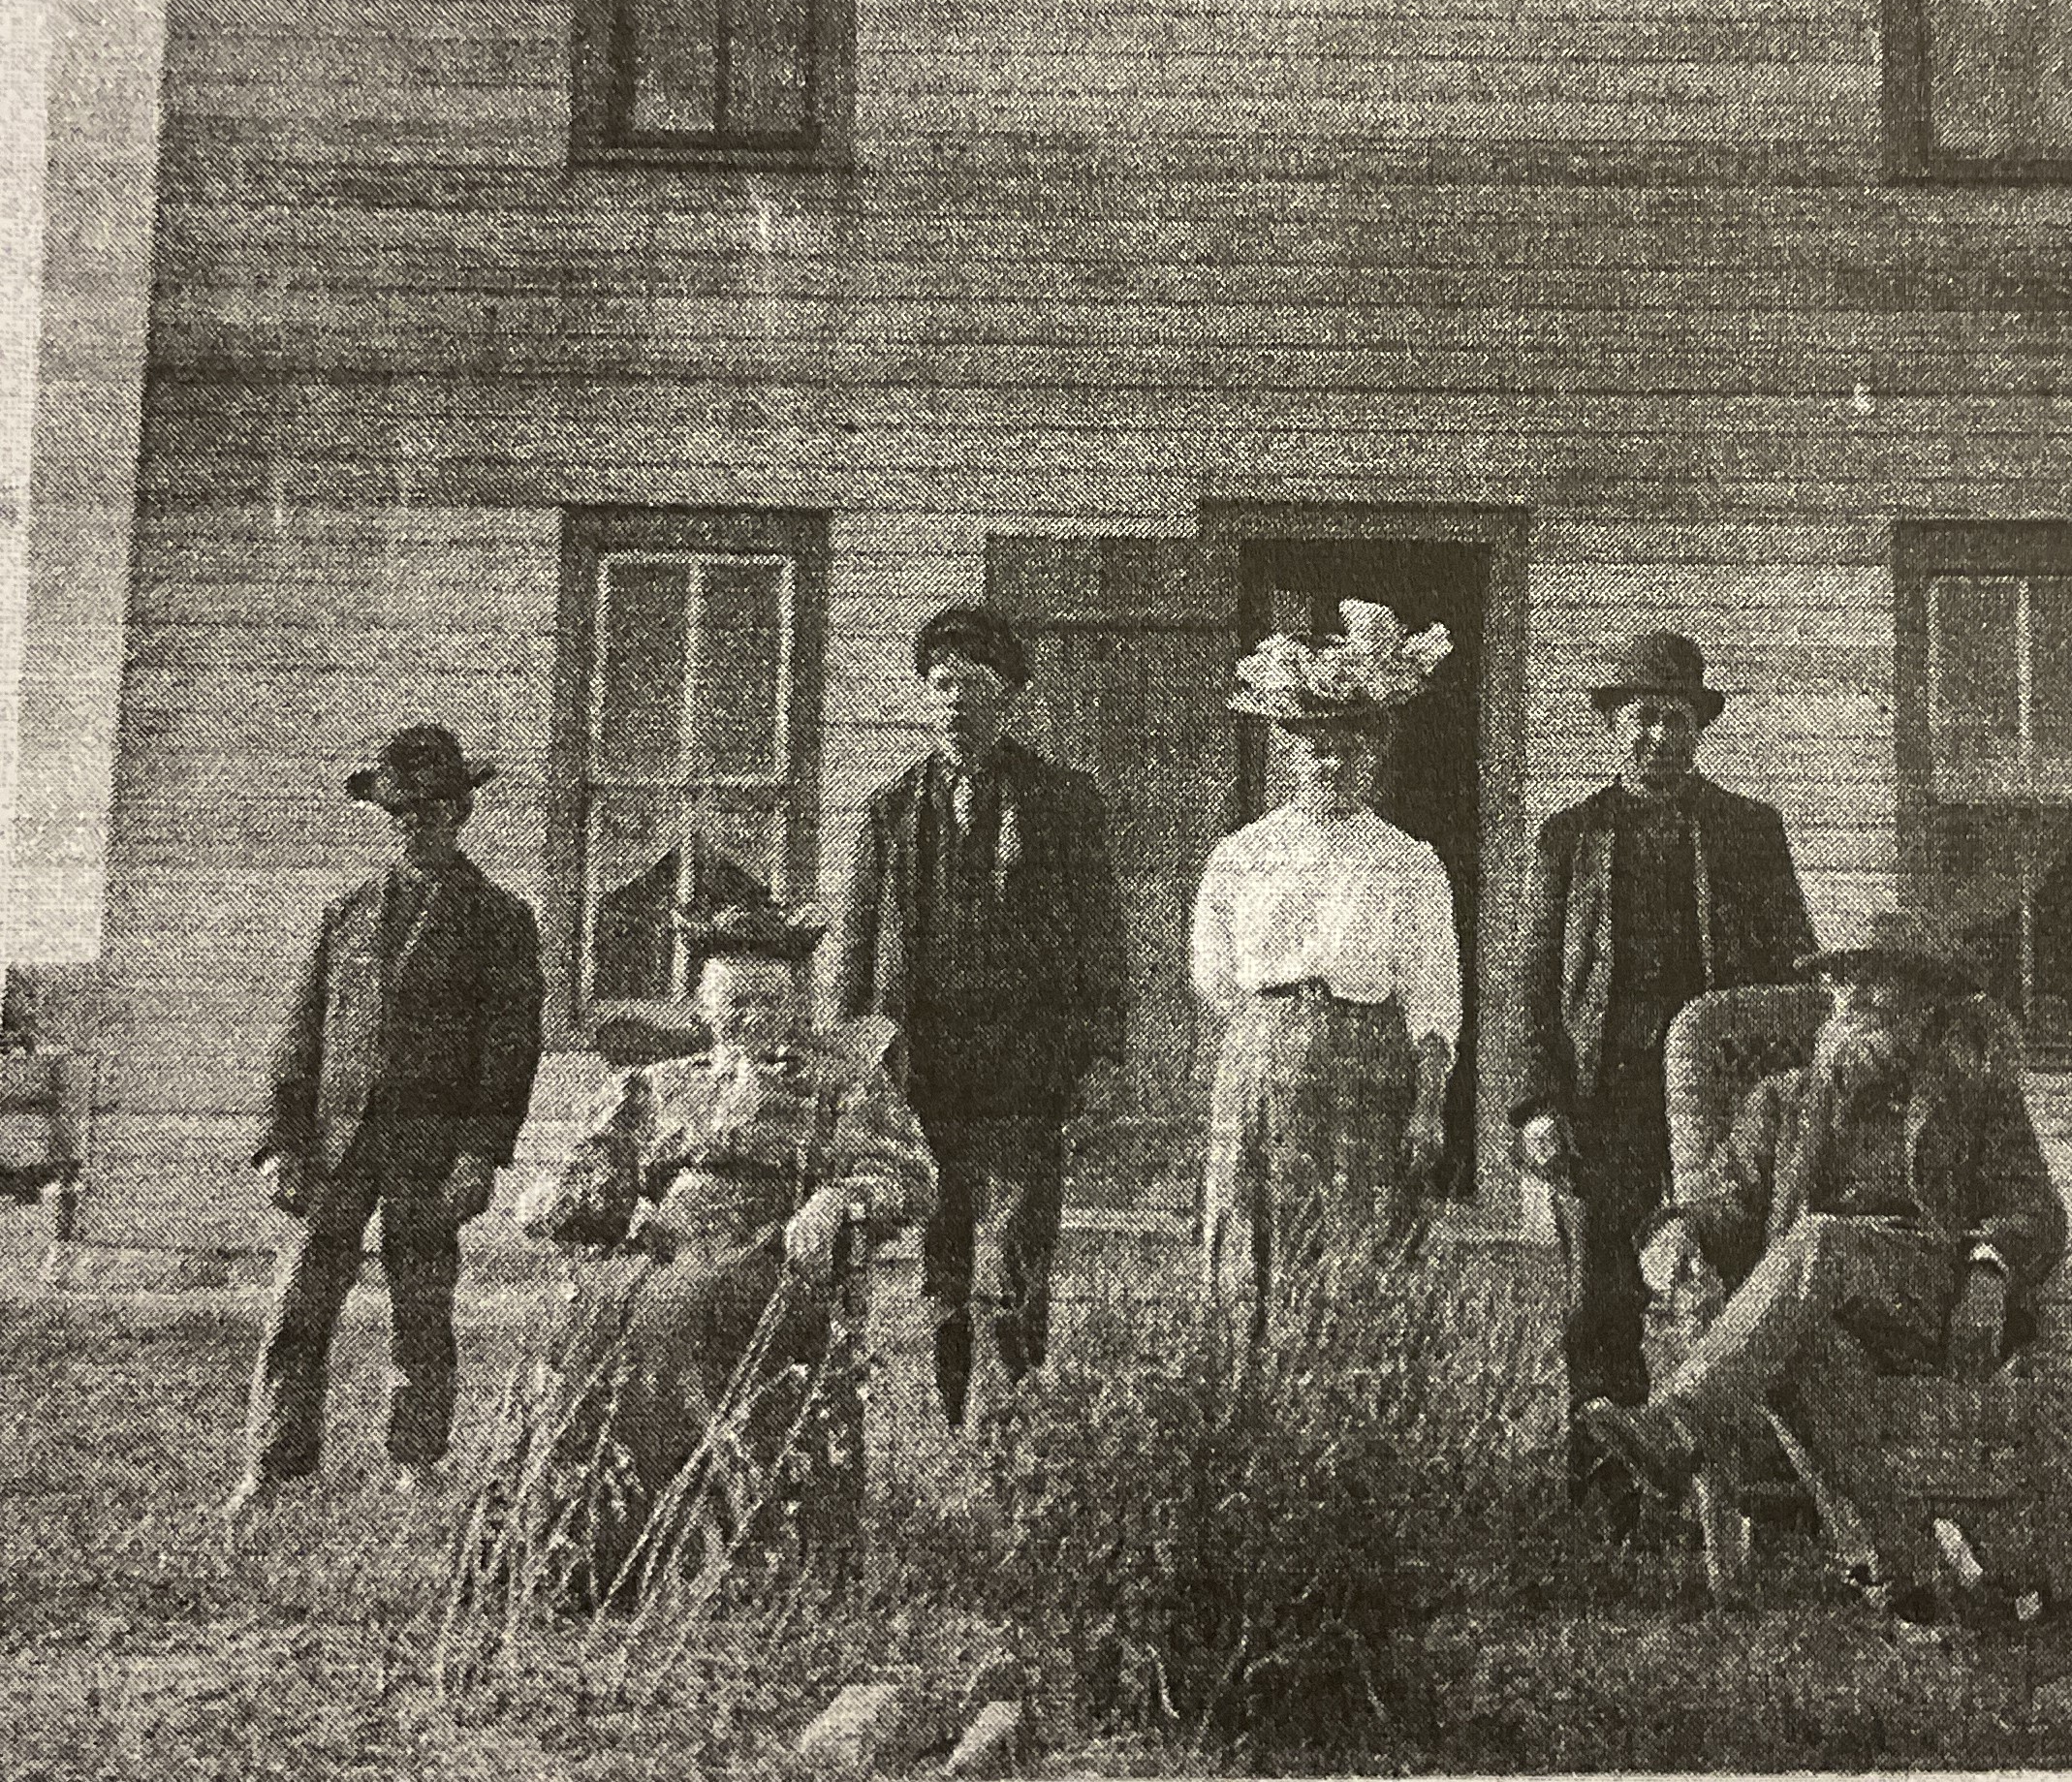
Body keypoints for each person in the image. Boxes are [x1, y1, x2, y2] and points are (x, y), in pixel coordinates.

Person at [1575, 912, 2068, 1599]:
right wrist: (1678, 1231)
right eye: (1843, 979)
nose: (1854, 994)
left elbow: (2037, 1210)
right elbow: (1726, 1204)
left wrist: (1988, 1272)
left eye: (1876, 979)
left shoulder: (1973, 1096)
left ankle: (1678, 1422)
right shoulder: (1781, 1102)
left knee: (1818, 1241)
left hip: (1929, 1293)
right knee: (1803, 1349)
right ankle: (1900, 1566)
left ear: (1924, 1000)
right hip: (1822, 1303)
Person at [497, 900, 934, 1610]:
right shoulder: (660, 1082)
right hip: (665, 1240)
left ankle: (716, 1553)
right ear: (703, 1005)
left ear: (797, 1005)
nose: (753, 1016)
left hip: (773, 1247)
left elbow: (909, 1176)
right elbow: (596, 1170)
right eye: (735, 1001)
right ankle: (587, 1553)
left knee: (683, 1308)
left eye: (771, 1001)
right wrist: (570, 1199)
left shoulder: (840, 1082)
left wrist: (834, 1202)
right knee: (590, 1317)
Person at [229, 725, 547, 1526]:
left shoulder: (500, 919)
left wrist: (480, 1154)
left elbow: (509, 1050)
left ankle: (415, 1459)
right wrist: (279, 1145)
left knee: (423, 1305)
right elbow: (302, 1034)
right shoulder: (346, 913)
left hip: (431, 1149)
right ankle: (271, 1465)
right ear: (385, 816)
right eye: (401, 812)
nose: (415, 825)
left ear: (462, 813)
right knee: (299, 1303)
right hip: (337, 1145)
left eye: (433, 810)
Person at [1512, 630, 1814, 1449]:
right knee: (1597, 1303)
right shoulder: (1568, 838)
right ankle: (1608, 1484)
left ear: (1698, 728)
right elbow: (1532, 986)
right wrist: (1536, 1106)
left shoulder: (1748, 831)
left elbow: (1797, 976)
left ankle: (1739, 1481)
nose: (1657, 736)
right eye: (1641, 718)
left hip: (1723, 1110)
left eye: (1675, 719)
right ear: (1613, 726)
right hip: (1602, 1108)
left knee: (1734, 1295)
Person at [835, 602, 1128, 1431]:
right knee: (945, 1247)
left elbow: (1102, 935)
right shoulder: (892, 810)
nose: (955, 702)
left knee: (1016, 1247)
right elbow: (858, 944)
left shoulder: (1061, 801)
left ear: (1007, 695)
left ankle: (1015, 1416)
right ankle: (952, 1415)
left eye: (972, 685)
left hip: (1026, 1066)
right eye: (941, 685)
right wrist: (855, 1053)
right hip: (928, 1067)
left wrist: (1102, 1052)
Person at [1190, 601, 1461, 1320]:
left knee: (1360, 1249)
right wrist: (1275, 1029)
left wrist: (1428, 1105)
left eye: (1349, 746)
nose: (1332, 763)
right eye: (1315, 747)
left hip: (1369, 1067)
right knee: (1255, 1240)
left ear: (1375, 754)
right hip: (1262, 1063)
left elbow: (1433, 995)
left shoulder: (1408, 861)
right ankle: (1249, 1379)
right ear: (1288, 752)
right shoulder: (1243, 854)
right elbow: (1214, 976)